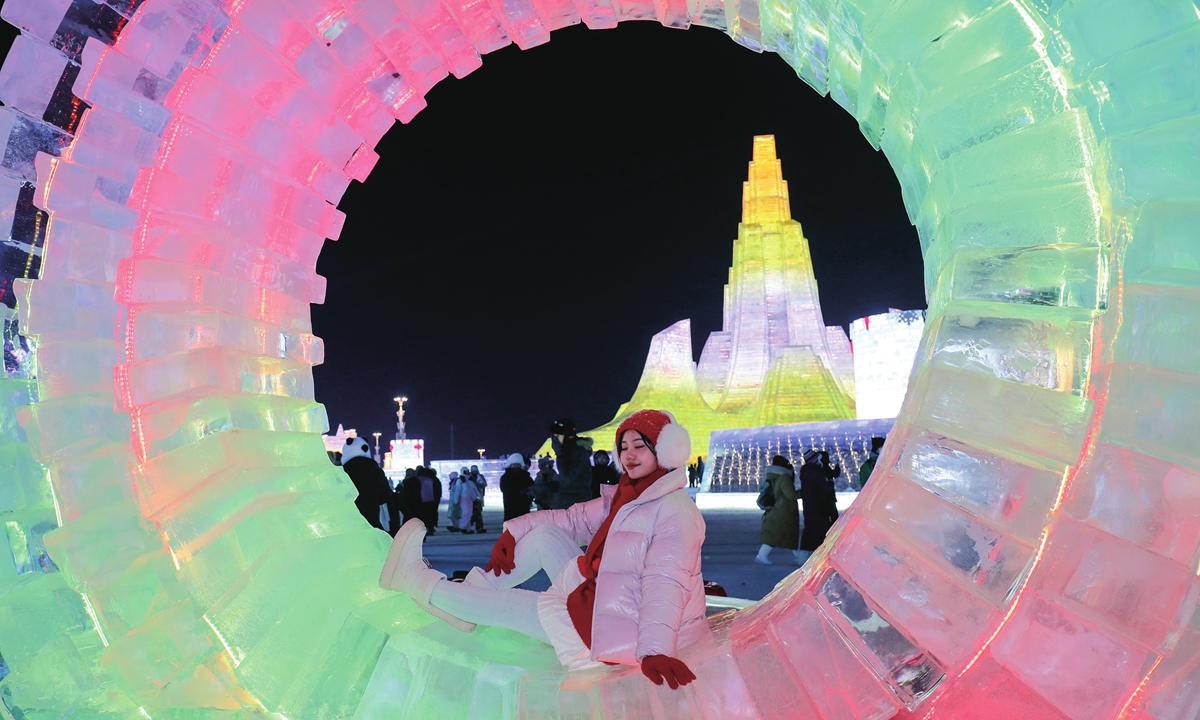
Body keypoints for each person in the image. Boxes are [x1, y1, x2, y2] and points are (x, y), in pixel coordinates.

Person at [380, 409, 706, 689]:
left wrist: (654, 650)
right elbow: (573, 519)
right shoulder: (632, 492)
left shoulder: (675, 512)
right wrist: (514, 532)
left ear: (665, 451)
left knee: (508, 606)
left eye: (640, 446)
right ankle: (466, 601)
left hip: (620, 627)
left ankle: (411, 579)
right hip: (609, 595)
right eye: (623, 446)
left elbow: (666, 583)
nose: (629, 454)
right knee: (545, 536)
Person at [755, 456, 803, 565]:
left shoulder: (773, 476)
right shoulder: (784, 478)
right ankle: (762, 555)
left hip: (778, 510)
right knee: (778, 535)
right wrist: (804, 492)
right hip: (783, 511)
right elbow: (791, 495)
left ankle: (800, 557)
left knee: (784, 535)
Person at [339, 437, 394, 531]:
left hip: (349, 518)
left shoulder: (343, 472)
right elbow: (385, 495)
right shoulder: (376, 471)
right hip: (372, 517)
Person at [799, 449, 841, 558]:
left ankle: (804, 555)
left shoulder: (807, 471)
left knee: (810, 529)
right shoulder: (815, 472)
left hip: (810, 505)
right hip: (818, 506)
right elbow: (822, 489)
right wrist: (830, 485)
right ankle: (821, 555)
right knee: (819, 529)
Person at [549, 418, 593, 509]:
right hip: (567, 505)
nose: (555, 440)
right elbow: (564, 484)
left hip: (578, 506)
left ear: (568, 436)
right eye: (554, 436)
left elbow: (567, 478)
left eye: (558, 436)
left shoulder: (580, 454)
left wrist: (559, 454)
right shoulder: (567, 452)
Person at [500, 453, 535, 521]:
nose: (516, 467)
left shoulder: (506, 477)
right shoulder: (525, 476)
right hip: (515, 506)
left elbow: (532, 488)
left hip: (516, 506)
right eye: (514, 465)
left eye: (518, 465)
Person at [413, 466, 442, 534]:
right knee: (430, 515)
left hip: (421, 500)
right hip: (431, 500)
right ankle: (431, 528)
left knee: (422, 515)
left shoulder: (418, 479)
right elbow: (437, 490)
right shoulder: (431, 479)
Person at [450, 468, 480, 533]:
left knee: (469, 513)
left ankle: (467, 528)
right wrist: (456, 499)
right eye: (465, 472)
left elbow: (474, 490)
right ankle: (462, 526)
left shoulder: (469, 481)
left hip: (470, 499)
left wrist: (477, 497)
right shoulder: (460, 481)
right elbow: (457, 491)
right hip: (464, 499)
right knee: (467, 513)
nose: (467, 473)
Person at [468, 464, 488, 533]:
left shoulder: (480, 477)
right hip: (471, 497)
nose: (475, 472)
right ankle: (477, 526)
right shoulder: (468, 478)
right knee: (475, 513)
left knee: (477, 512)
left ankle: (470, 525)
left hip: (478, 497)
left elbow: (484, 484)